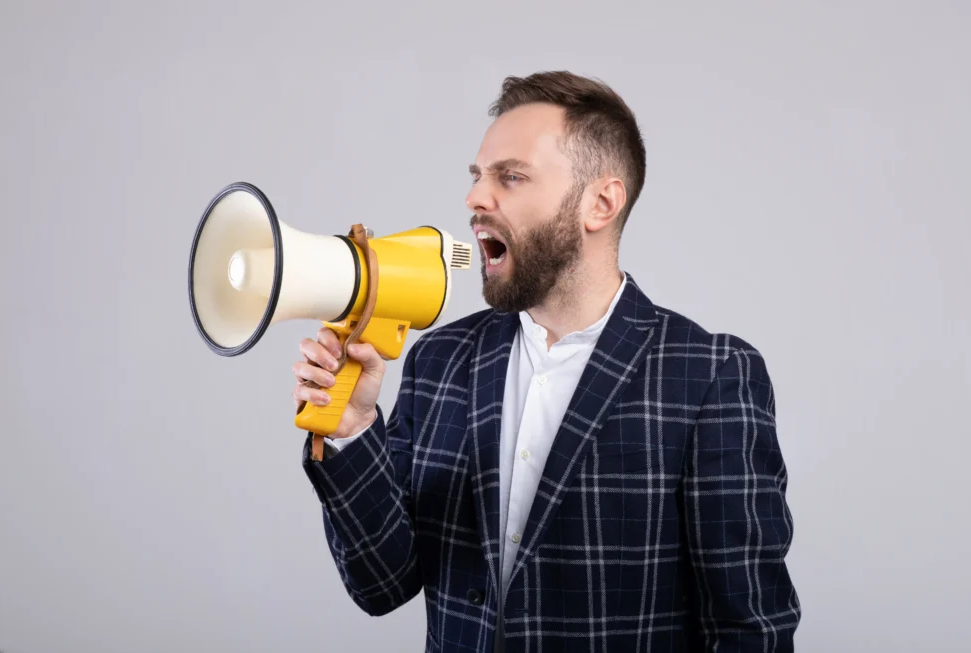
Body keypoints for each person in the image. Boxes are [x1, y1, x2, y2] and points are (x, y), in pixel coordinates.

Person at [292, 70, 801, 652]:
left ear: (601, 203)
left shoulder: (710, 376)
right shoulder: (439, 360)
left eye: (511, 177)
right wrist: (356, 429)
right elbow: (382, 583)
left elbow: (748, 631)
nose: (475, 199)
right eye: (478, 177)